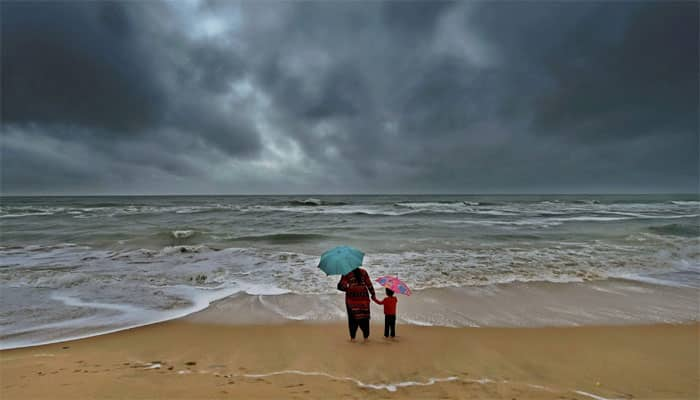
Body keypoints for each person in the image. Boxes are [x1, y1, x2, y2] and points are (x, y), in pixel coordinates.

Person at [337, 267, 376, 341]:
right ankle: (366, 338)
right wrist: (373, 294)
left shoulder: (346, 273)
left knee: (352, 319)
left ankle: (353, 338)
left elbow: (342, 286)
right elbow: (369, 284)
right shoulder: (364, 272)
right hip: (364, 299)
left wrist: (347, 287)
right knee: (364, 318)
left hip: (351, 300)